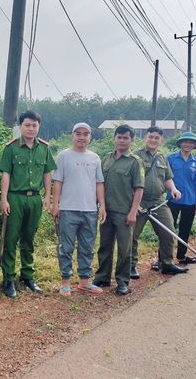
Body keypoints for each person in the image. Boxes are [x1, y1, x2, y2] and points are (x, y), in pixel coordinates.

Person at [0, 110, 57, 298]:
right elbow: (5, 174)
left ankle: (28, 275)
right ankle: (8, 278)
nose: (31, 129)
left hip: (34, 199)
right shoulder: (11, 148)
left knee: (29, 238)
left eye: (34, 125)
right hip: (15, 198)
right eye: (27, 125)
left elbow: (47, 173)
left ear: (39, 127)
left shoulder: (44, 148)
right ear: (21, 126)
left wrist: (47, 196)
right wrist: (4, 198)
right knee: (11, 238)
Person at [51, 123, 106, 296]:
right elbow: (58, 181)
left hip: (90, 210)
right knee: (66, 247)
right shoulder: (64, 156)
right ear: (72, 135)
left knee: (87, 247)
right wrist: (55, 204)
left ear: (90, 137)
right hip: (68, 209)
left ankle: (84, 281)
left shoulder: (95, 158)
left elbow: (99, 183)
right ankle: (65, 282)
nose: (81, 137)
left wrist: (102, 205)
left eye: (85, 134)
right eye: (78, 134)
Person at [94, 124, 144, 295]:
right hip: (106, 211)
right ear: (114, 138)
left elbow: (139, 188)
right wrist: (98, 205)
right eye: (119, 137)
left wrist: (133, 212)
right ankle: (102, 277)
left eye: (126, 138)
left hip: (125, 212)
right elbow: (99, 185)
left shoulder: (135, 162)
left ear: (131, 140)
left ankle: (122, 282)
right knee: (105, 246)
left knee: (125, 249)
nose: (122, 141)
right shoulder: (106, 159)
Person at [131, 126, 188, 277]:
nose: (153, 140)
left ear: (161, 140)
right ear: (145, 138)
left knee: (169, 232)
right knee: (132, 235)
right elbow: (128, 180)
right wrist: (133, 204)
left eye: (156, 138)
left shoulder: (162, 157)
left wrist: (174, 189)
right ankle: (131, 266)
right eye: (151, 137)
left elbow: (167, 178)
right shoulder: (135, 156)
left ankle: (167, 263)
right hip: (139, 202)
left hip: (158, 202)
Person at [166, 131, 196, 265]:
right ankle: (163, 259)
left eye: (191, 142)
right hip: (172, 200)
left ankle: (181, 256)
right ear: (180, 143)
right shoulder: (170, 158)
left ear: (194, 145)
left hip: (190, 201)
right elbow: (165, 177)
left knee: (185, 229)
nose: (188, 144)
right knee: (168, 229)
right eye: (185, 141)